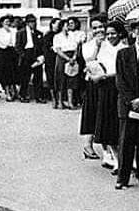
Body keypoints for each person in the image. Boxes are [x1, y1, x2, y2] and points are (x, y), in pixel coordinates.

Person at [115, 18, 139, 190]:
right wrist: (132, 101)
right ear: (132, 33)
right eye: (138, 30)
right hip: (128, 105)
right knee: (126, 142)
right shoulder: (123, 54)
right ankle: (122, 178)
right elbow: (120, 81)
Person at [93, 20, 126, 170]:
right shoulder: (103, 48)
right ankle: (115, 159)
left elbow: (122, 71)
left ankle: (125, 160)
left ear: (120, 33)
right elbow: (96, 64)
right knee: (107, 126)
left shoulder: (124, 48)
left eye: (113, 33)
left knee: (118, 124)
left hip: (118, 87)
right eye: (108, 34)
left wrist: (107, 75)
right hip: (104, 88)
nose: (110, 36)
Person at [79, 16, 108, 159]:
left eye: (101, 26)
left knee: (105, 114)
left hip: (107, 80)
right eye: (95, 27)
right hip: (93, 81)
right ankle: (88, 145)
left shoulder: (111, 41)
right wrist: (97, 45)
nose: (99, 30)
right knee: (91, 112)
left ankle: (107, 149)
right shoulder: (88, 44)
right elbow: (89, 61)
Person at [53, 19, 83, 109]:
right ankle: (60, 101)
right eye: (67, 25)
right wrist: (67, 58)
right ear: (62, 26)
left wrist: (74, 57)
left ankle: (70, 102)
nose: (68, 27)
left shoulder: (72, 35)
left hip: (72, 57)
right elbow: (58, 50)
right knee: (61, 79)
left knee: (71, 79)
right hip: (62, 58)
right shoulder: (57, 36)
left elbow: (76, 47)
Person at [15, 14, 44, 103]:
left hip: (35, 54)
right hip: (26, 55)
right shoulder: (21, 32)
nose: (33, 24)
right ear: (27, 23)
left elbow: (40, 46)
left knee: (38, 77)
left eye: (34, 22)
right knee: (25, 77)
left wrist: (40, 56)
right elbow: (18, 46)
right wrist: (23, 55)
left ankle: (38, 96)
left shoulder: (38, 33)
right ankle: (22, 95)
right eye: (31, 22)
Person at [0, 15, 19, 102]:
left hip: (11, 52)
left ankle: (14, 92)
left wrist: (11, 34)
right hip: (3, 53)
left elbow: (14, 42)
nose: (7, 24)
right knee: (5, 74)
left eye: (8, 22)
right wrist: (9, 35)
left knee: (12, 73)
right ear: (2, 23)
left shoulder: (13, 30)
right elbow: (2, 43)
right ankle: (7, 92)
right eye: (5, 22)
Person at [42, 18, 61, 106]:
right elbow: (45, 49)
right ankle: (53, 98)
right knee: (51, 79)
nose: (58, 25)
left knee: (59, 79)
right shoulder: (48, 35)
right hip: (50, 60)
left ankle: (59, 98)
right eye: (57, 23)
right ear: (52, 24)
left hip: (59, 59)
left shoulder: (61, 35)